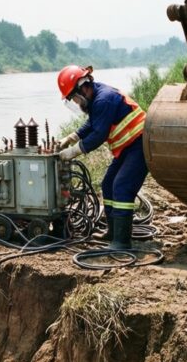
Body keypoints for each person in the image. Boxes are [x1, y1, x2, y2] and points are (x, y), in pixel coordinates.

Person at [56, 65, 147, 250]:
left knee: (121, 186)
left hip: (140, 146)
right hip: (127, 148)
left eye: (74, 97)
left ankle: (121, 242)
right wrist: (73, 136)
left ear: (83, 87)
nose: (76, 102)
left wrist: (73, 151)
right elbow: (93, 122)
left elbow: (99, 134)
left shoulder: (103, 100)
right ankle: (113, 233)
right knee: (107, 184)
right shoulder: (97, 97)